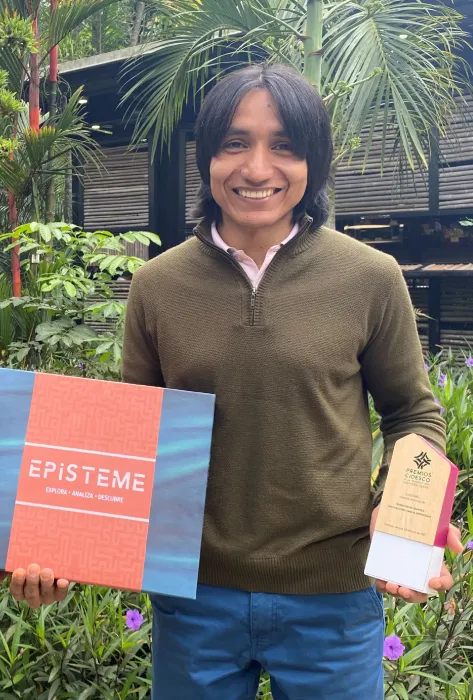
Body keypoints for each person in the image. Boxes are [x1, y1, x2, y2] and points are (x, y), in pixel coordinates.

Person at [2, 64, 463, 699]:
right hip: (195, 600)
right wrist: (59, 550)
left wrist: (411, 511)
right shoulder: (157, 285)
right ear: (208, 157)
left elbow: (413, 413)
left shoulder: (370, 277)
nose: (257, 167)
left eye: (284, 145)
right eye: (235, 143)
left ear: (313, 162)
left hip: (332, 597)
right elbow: (131, 442)